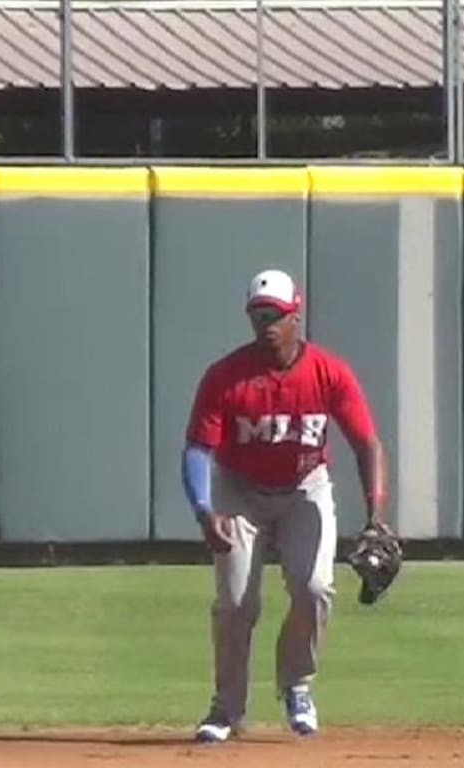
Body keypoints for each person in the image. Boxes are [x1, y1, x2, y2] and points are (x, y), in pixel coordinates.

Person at [179, 267, 390, 743]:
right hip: (239, 490)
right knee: (236, 602)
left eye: (275, 314)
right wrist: (203, 508)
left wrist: (376, 516)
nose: (266, 324)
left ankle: (297, 685)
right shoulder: (226, 376)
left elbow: (367, 444)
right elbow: (198, 449)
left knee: (314, 587)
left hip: (304, 489)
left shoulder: (327, 373)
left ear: (297, 315)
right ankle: (226, 707)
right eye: (258, 315)